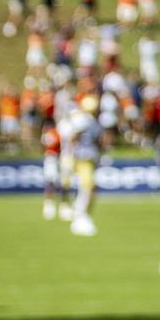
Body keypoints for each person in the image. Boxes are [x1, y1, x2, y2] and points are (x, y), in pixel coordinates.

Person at [59, 95, 103, 237]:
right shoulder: (83, 120)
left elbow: (97, 140)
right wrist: (70, 156)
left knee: (89, 188)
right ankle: (80, 215)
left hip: (89, 157)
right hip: (81, 157)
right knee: (87, 186)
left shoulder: (91, 121)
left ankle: (82, 215)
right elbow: (72, 138)